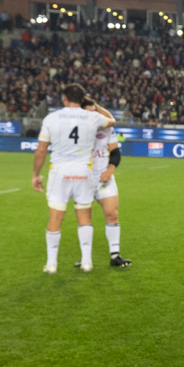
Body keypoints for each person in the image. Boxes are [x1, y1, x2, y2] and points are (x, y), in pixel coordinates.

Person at [32, 83, 116, 274]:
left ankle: (51, 263)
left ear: (64, 98)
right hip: (83, 171)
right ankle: (87, 261)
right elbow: (111, 121)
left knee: (55, 216)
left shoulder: (51, 118)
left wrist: (36, 174)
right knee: (84, 216)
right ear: (82, 98)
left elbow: (41, 149)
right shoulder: (93, 117)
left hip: (60, 171)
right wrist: (96, 105)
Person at [77, 96, 131, 268]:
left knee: (111, 214)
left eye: (95, 113)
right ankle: (86, 259)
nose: (93, 117)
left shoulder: (105, 129)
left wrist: (110, 170)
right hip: (82, 178)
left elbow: (115, 152)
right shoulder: (74, 129)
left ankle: (115, 255)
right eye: (89, 113)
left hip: (102, 177)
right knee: (84, 218)